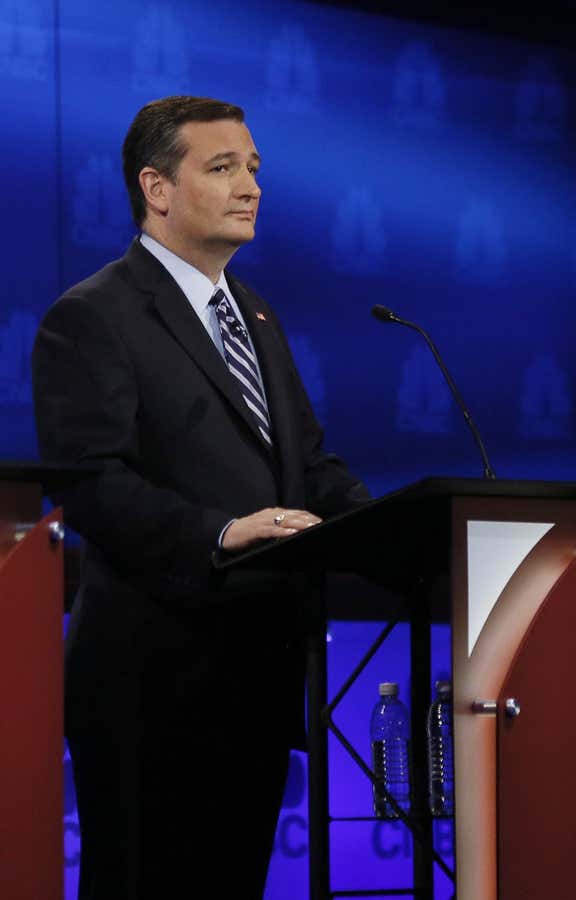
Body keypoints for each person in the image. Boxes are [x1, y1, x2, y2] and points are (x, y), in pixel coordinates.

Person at [32, 96, 370, 897]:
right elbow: (94, 485)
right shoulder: (91, 317)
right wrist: (221, 534)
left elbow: (308, 466)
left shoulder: (256, 317)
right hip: (152, 684)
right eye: (222, 168)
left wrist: (396, 531)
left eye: (253, 168)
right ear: (156, 187)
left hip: (257, 676)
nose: (249, 185)